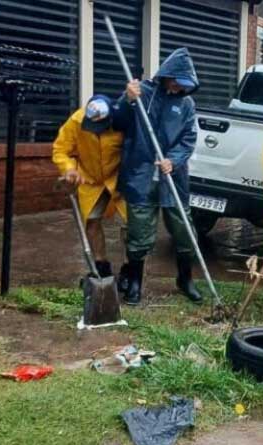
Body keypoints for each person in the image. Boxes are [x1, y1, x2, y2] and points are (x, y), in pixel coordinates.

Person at [112, 48, 201, 305]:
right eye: (177, 83)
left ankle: (185, 280)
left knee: (184, 230)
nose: (179, 89)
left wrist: (173, 160)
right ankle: (136, 283)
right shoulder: (142, 94)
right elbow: (117, 122)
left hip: (172, 177)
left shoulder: (186, 104)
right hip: (140, 174)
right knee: (139, 232)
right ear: (167, 75)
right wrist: (127, 101)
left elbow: (189, 138)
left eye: (184, 86)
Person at [53, 95, 126, 279]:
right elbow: (61, 149)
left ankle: (129, 268)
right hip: (90, 180)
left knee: (130, 224)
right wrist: (69, 169)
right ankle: (101, 265)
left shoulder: (123, 120)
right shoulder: (77, 120)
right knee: (92, 221)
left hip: (119, 178)